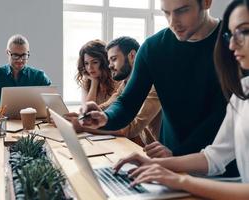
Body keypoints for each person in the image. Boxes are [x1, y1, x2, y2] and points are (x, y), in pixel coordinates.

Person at [80, 0, 238, 176]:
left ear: (207, 2)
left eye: (182, 11)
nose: (173, 22)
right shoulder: (153, 48)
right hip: (168, 164)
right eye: (166, 13)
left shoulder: (236, 44)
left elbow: (225, 115)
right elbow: (127, 103)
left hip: (225, 169)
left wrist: (177, 155)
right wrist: (105, 118)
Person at [112, 1, 249, 199]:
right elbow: (214, 158)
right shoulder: (243, 90)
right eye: (231, 34)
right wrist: (152, 164)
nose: (231, 44)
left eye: (244, 32)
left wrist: (181, 181)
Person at [67, 36, 162, 146]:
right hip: (147, 149)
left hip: (165, 153)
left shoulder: (153, 86)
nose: (110, 66)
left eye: (114, 59)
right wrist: (81, 116)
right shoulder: (126, 83)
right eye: (109, 61)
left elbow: (131, 129)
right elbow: (110, 106)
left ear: (132, 56)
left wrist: (82, 126)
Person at [0, 34, 51, 104]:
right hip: (3, 115)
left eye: (24, 55)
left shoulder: (39, 76)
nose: (20, 60)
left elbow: (52, 103)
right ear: (7, 53)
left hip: (34, 115)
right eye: (15, 55)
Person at [75, 39, 117, 105]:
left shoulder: (117, 80)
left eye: (95, 62)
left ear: (105, 62)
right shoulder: (87, 80)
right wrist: (94, 83)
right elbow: (86, 110)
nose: (89, 68)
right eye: (86, 63)